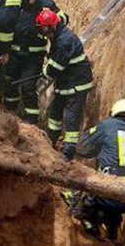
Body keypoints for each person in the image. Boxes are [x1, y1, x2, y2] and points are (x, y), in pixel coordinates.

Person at [62, 98, 125, 242]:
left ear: (113, 113)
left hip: (112, 194)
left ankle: (90, 221)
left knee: (77, 193)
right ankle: (114, 231)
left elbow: (82, 147)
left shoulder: (108, 125)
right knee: (113, 183)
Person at [36, 10, 93, 160]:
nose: (44, 34)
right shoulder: (57, 35)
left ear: (52, 27)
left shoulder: (64, 41)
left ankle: (68, 153)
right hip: (65, 82)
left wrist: (42, 78)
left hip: (77, 84)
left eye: (45, 30)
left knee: (71, 118)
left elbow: (54, 68)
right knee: (54, 114)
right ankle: (50, 141)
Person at [4, 0, 68, 123]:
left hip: (34, 56)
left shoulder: (46, 4)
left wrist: (50, 20)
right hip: (14, 53)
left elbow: (64, 18)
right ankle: (8, 112)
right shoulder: (17, 1)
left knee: (28, 87)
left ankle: (31, 121)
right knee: (10, 83)